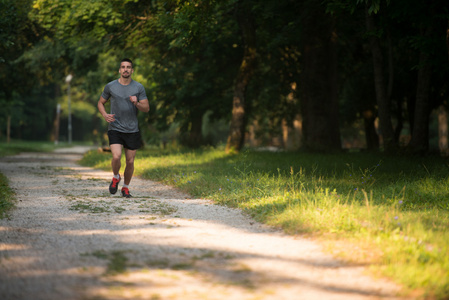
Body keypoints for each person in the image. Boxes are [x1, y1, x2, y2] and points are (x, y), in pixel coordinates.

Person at [97, 58, 150, 198]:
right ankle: (115, 177)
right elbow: (100, 103)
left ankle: (125, 188)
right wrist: (104, 115)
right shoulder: (110, 86)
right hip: (115, 127)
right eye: (123, 67)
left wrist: (137, 103)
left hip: (132, 129)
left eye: (128, 67)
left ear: (132, 70)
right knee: (116, 156)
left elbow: (146, 108)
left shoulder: (138, 87)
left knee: (130, 161)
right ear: (119, 70)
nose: (125, 69)